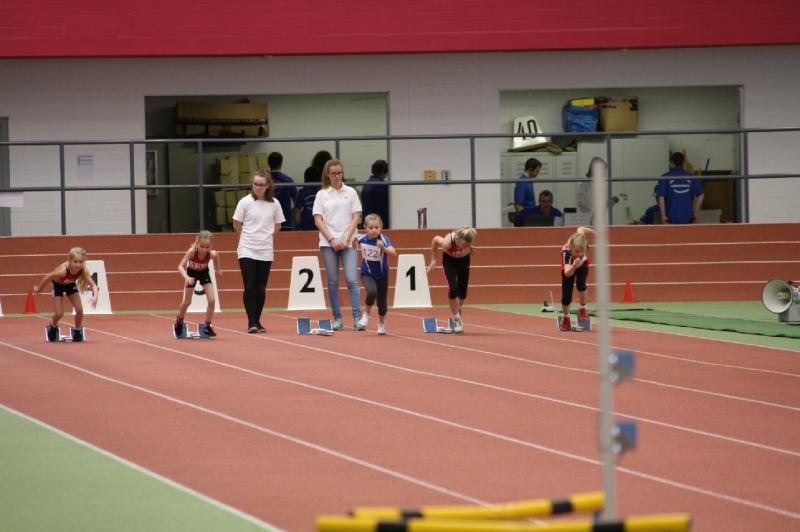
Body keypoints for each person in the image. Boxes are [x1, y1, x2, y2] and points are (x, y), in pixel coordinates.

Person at [313, 159, 363, 331]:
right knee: (333, 281)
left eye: (339, 173)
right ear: (328, 174)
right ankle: (337, 318)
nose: (337, 176)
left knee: (351, 279)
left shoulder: (351, 192)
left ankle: (357, 318)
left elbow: (356, 216)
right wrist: (331, 239)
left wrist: (347, 237)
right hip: (328, 243)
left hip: (348, 241)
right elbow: (318, 219)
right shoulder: (322, 194)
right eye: (333, 173)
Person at [232, 170, 285, 333]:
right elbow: (236, 223)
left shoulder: (274, 204)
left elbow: (278, 225)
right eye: (255, 184)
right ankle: (251, 322)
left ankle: (258, 320)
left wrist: (266, 236)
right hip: (247, 248)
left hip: (265, 249)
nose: (258, 187)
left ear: (268, 185)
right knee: (249, 285)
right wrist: (246, 236)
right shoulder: (245, 202)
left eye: (261, 185)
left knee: (261, 287)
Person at [34, 246, 99, 342]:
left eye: (80, 262)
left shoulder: (83, 271)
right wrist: (39, 288)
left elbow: (93, 285)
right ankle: (53, 326)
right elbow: (48, 276)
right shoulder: (63, 271)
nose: (78, 265)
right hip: (58, 285)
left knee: (79, 310)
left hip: (70, 285)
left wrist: (95, 297)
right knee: (59, 313)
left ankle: (77, 330)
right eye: (75, 262)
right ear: (70, 260)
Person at [425, 226, 477, 334]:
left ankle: (458, 308)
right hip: (450, 262)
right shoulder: (448, 242)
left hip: (464, 261)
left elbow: (468, 243)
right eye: (462, 245)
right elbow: (435, 240)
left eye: (466, 246)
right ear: (459, 239)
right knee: (453, 289)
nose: (463, 248)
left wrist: (469, 248)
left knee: (463, 293)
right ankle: (456, 317)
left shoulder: (468, 239)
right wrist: (433, 259)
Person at [174, 230, 222, 338]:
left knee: (212, 300)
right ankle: (179, 321)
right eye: (202, 246)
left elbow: (217, 255)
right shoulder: (192, 252)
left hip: (204, 273)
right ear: (197, 244)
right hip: (191, 273)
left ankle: (207, 326)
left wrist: (218, 269)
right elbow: (180, 266)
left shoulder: (211, 253)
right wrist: (186, 277)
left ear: (211, 246)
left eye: (207, 247)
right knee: (187, 302)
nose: (204, 250)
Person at [355, 213, 396, 335]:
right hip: (367, 272)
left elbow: (393, 253)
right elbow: (354, 240)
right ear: (365, 228)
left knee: (382, 304)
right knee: (372, 292)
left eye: (377, 227)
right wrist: (354, 244)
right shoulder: (361, 238)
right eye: (371, 228)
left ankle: (381, 324)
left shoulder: (383, 239)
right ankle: (366, 315)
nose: (374, 230)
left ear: (381, 227)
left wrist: (383, 248)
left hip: (382, 275)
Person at [559, 226, 594, 331]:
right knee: (566, 297)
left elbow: (581, 229)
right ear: (571, 248)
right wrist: (574, 266)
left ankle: (583, 308)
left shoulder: (582, 241)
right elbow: (567, 273)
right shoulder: (567, 253)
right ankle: (566, 317)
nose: (580, 254)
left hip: (582, 265)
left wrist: (596, 233)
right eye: (577, 251)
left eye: (582, 251)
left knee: (581, 284)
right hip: (569, 268)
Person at [657, 152, 705, 224]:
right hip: (687, 217)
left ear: (671, 163)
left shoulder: (665, 177)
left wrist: (663, 216)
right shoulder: (692, 177)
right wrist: (695, 213)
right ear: (683, 163)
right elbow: (701, 194)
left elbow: (661, 196)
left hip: (671, 217)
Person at [295, 150, 331, 231]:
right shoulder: (323, 190)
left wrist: (298, 226)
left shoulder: (303, 191)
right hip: (322, 224)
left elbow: (297, 210)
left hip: (306, 225)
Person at [577, 157, 618, 223]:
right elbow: (581, 202)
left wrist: (611, 202)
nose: (604, 172)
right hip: (586, 218)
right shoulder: (584, 182)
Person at [267, 151, 298, 230]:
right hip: (286, 222)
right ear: (281, 163)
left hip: (268, 223)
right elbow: (297, 201)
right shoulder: (288, 180)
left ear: (268, 163)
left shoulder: (263, 181)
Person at [361, 159, 390, 229]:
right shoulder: (382, 185)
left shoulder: (366, 183)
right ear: (384, 172)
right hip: (378, 222)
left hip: (367, 220)